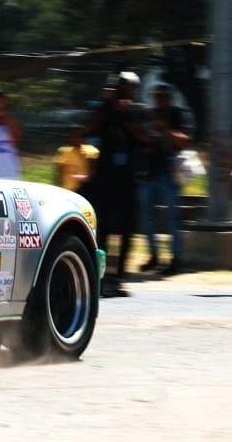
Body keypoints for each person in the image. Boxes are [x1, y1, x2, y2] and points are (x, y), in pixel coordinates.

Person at [77, 71, 149, 297]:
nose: (125, 92)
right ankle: (101, 276)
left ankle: (120, 277)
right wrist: (109, 108)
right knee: (105, 228)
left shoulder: (138, 111)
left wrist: (126, 114)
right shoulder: (104, 110)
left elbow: (146, 137)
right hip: (106, 177)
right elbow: (86, 130)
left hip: (129, 177)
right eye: (121, 87)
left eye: (128, 88)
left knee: (128, 229)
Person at [139, 83, 192, 275]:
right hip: (148, 172)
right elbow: (143, 138)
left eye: (164, 97)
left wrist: (166, 128)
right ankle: (154, 256)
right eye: (157, 96)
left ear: (170, 98)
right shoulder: (148, 115)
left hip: (170, 173)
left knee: (172, 219)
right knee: (146, 218)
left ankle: (176, 259)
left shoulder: (177, 115)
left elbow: (184, 141)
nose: (160, 100)